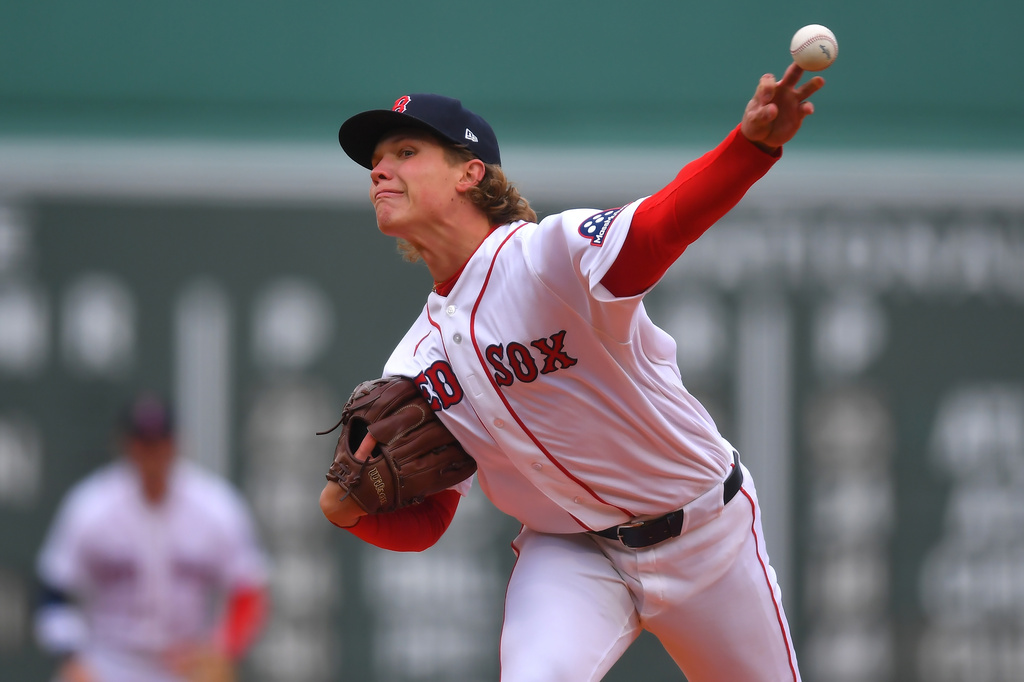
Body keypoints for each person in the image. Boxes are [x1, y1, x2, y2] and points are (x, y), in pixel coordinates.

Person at [321, 63, 824, 681]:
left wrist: (749, 149)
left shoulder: (546, 258)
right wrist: (350, 511)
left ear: (470, 173)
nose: (379, 170)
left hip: (706, 536)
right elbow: (433, 518)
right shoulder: (414, 361)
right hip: (571, 553)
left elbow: (658, 228)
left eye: (405, 151)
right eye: (375, 160)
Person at [34, 392, 271, 682]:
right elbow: (52, 589)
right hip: (108, 661)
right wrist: (71, 656)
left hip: (186, 663)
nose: (152, 453)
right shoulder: (91, 505)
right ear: (125, 445)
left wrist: (222, 650)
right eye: (143, 442)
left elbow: (249, 589)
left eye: (159, 442)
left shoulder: (215, 505)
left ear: (176, 443)